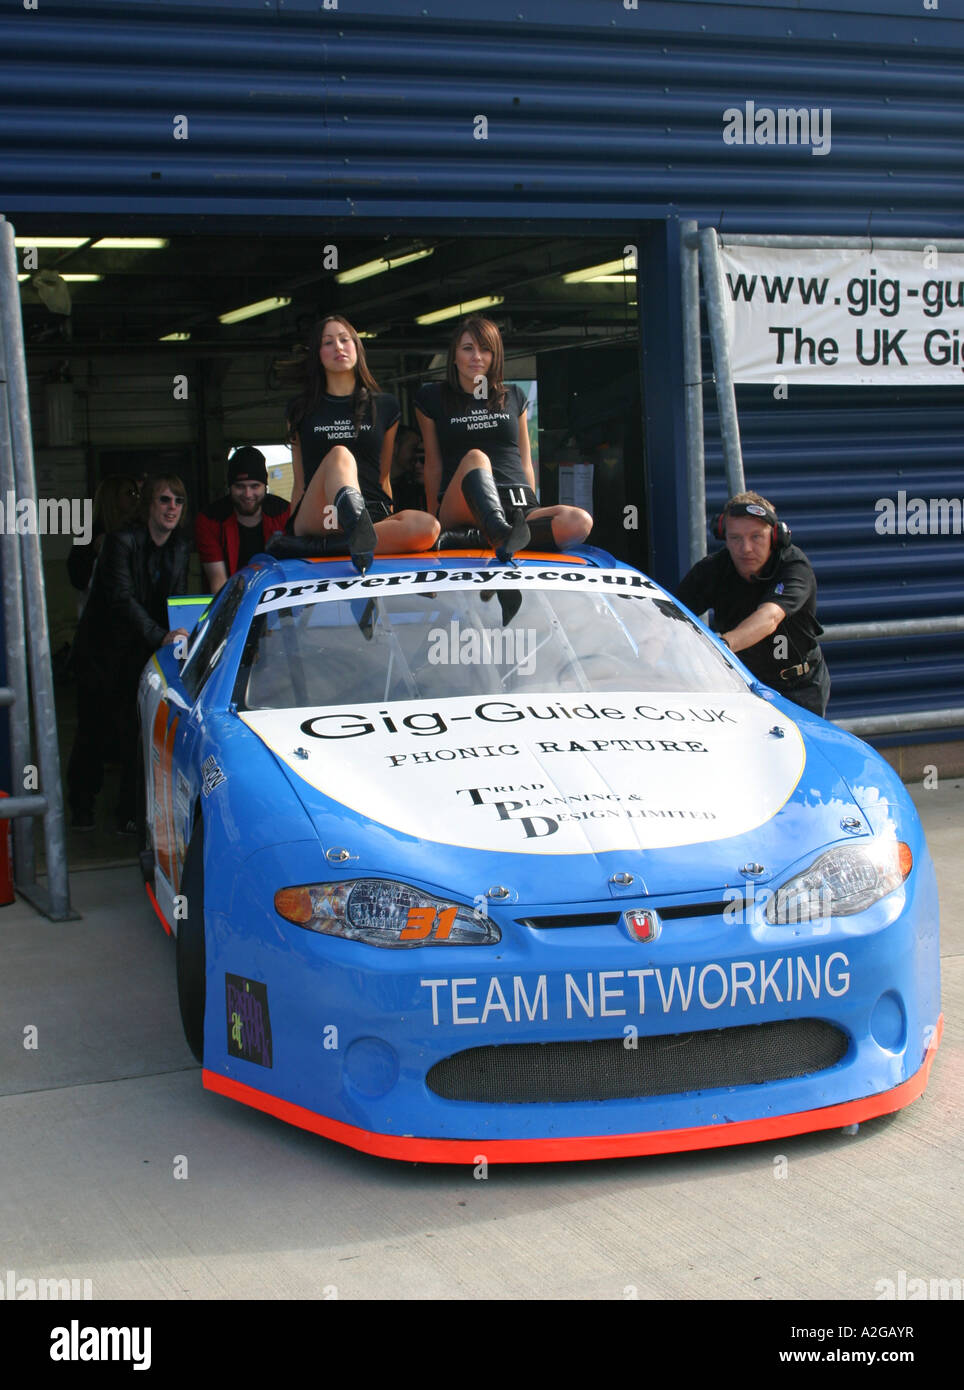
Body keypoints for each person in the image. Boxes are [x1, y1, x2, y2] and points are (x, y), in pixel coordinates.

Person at [67, 474, 192, 832]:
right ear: (149, 506)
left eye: (178, 502)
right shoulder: (120, 542)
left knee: (138, 733)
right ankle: (81, 807)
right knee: (93, 730)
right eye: (164, 500)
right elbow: (121, 599)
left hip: (144, 649)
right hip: (102, 652)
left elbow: (177, 601)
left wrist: (178, 637)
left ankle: (130, 814)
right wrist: (162, 636)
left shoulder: (179, 546)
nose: (171, 508)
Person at [415, 316, 592, 562]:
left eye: (485, 349)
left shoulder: (514, 396)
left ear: (495, 355)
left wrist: (533, 505)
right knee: (476, 457)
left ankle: (486, 536)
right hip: (463, 503)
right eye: (468, 349)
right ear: (454, 356)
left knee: (579, 522)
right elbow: (433, 464)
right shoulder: (432, 397)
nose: (477, 356)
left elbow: (525, 461)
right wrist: (435, 517)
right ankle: (497, 534)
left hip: (517, 502)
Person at [281, 316, 439, 572]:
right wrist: (289, 543)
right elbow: (300, 482)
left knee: (428, 527)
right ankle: (356, 534)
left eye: (345, 340)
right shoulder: (300, 408)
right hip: (323, 516)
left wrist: (392, 518)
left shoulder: (385, 406)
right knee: (340, 456)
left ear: (357, 347)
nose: (339, 347)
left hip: (371, 512)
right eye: (328, 342)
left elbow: (383, 477)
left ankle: (351, 541)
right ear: (318, 354)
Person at [675, 491, 830, 716]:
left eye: (756, 537)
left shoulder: (794, 566)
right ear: (723, 536)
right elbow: (669, 617)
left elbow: (770, 617)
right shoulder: (712, 570)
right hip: (743, 684)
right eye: (735, 538)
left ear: (775, 537)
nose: (745, 548)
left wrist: (721, 647)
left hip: (799, 687)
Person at [195, 446, 290, 594]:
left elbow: (291, 569)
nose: (248, 494)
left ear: (265, 486)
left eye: (255, 486)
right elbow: (218, 582)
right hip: (230, 600)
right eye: (240, 486)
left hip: (277, 598)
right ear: (229, 487)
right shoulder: (210, 520)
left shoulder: (283, 512)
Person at [66, 474, 141, 607]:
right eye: (129, 493)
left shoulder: (137, 532)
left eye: (136, 493)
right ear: (112, 497)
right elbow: (78, 579)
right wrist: (96, 555)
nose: (135, 497)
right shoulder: (90, 535)